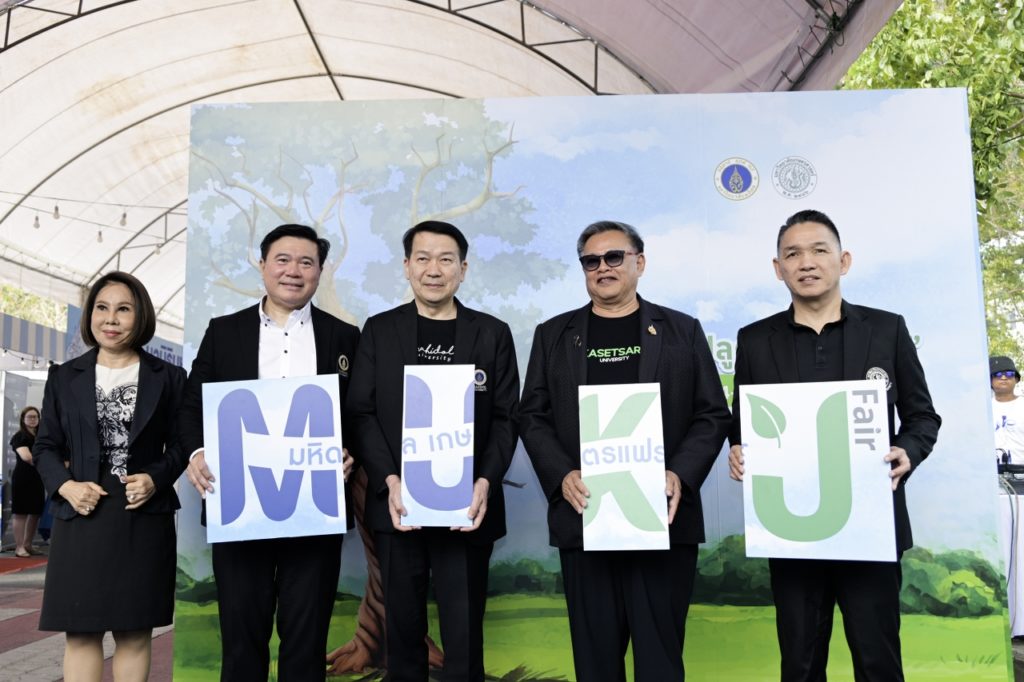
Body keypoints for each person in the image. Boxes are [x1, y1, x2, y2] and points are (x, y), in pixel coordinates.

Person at [728, 209, 941, 681]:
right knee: (800, 664)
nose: (806, 262)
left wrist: (908, 449)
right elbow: (743, 422)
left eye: (819, 250)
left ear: (843, 261)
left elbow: (923, 416)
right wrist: (740, 448)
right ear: (778, 268)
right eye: (792, 254)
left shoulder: (887, 329)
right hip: (792, 531)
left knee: (878, 660)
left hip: (871, 525)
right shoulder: (755, 340)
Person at [520, 220, 730, 682]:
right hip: (585, 517)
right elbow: (532, 415)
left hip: (662, 520)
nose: (603, 268)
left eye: (614, 257)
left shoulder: (682, 330)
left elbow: (712, 413)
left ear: (640, 263)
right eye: (591, 261)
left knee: (659, 661)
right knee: (595, 662)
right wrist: (561, 474)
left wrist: (679, 474)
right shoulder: (553, 334)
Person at [179, 223, 360, 682]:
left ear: (320, 271)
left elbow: (362, 412)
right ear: (263, 266)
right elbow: (191, 405)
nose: (293, 271)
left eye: (306, 262)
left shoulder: (344, 337)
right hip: (238, 507)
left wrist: (351, 452)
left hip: (315, 510)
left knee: (307, 639)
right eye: (282, 260)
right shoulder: (224, 332)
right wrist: (197, 453)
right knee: (242, 638)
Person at [346, 220, 519, 681]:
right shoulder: (380, 330)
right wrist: (389, 479)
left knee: (464, 633)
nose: (434, 269)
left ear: (463, 269)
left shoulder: (492, 333)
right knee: (402, 633)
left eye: (446, 259)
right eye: (423, 258)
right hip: (399, 507)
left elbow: (507, 417)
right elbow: (361, 412)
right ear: (407, 267)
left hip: (469, 508)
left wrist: (485, 481)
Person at [34, 271, 187, 682]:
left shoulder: (170, 378)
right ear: (90, 315)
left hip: (143, 515)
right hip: (79, 514)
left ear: (141, 316)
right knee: (81, 633)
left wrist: (155, 478)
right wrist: (66, 486)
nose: (111, 319)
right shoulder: (64, 376)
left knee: (134, 632)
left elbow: (183, 445)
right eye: (102, 308)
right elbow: (45, 446)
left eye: (123, 309)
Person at [9, 405, 44, 557]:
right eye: (29, 417)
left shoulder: (41, 437)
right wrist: (48, 463)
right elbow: (27, 457)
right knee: (21, 513)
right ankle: (19, 547)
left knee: (35, 512)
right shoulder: (20, 436)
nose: (33, 419)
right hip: (23, 478)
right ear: (23, 419)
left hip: (38, 478)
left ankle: (28, 544)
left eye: (35, 416)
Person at [992, 355, 1024, 464]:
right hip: (992, 471)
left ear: (1016, 379)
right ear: (990, 379)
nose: (1004, 378)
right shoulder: (983, 409)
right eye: (998, 374)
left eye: (1009, 374)